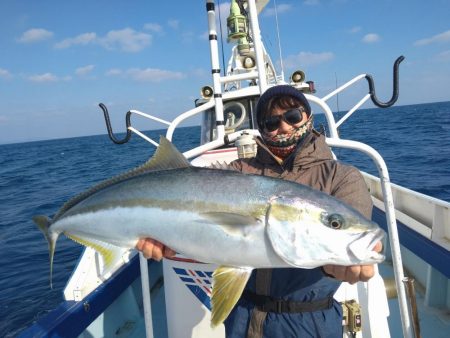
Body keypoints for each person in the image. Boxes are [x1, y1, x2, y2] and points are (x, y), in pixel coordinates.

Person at [136, 85, 382, 337]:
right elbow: (206, 226)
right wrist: (169, 238)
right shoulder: (239, 172)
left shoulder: (341, 177)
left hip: (309, 321)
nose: (284, 126)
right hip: (243, 318)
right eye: (271, 121)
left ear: (308, 116)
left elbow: (348, 230)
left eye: (293, 116)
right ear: (262, 128)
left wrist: (337, 265)